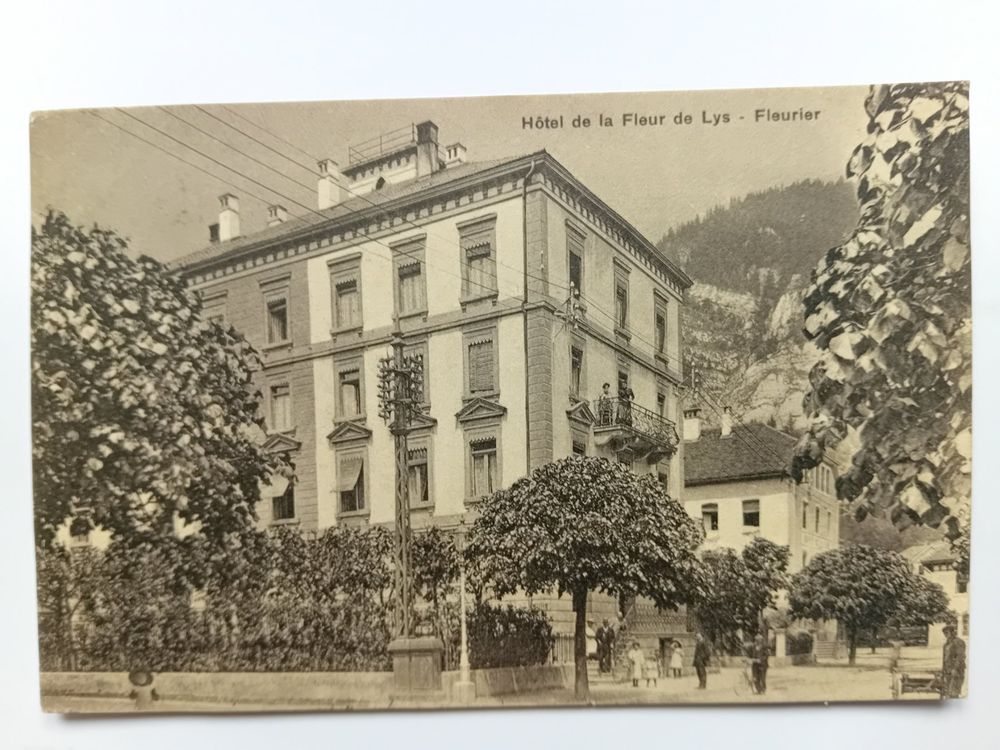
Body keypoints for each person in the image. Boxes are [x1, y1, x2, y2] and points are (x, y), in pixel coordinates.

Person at [941, 624, 966, 699]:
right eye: (944, 633)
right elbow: (945, 659)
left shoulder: (959, 642)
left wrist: (955, 669)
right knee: (948, 692)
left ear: (952, 632)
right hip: (948, 671)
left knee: (954, 692)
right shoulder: (946, 644)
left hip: (957, 671)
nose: (945, 635)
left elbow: (960, 657)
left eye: (947, 632)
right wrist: (943, 670)